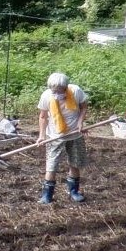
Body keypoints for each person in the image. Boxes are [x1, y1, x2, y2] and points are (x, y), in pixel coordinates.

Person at [38, 71, 89, 204]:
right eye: (54, 91)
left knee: (75, 163)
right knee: (51, 165)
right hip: (55, 136)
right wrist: (42, 136)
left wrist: (80, 122)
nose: (57, 94)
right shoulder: (46, 96)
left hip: (74, 134)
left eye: (60, 91)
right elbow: (43, 117)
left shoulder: (76, 91)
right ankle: (47, 195)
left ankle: (74, 192)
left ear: (66, 87)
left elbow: (84, 107)